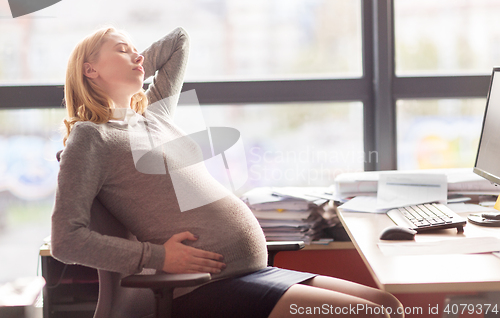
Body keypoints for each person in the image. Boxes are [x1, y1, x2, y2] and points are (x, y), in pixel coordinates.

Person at [51, 26, 404, 318]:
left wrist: (131, 59)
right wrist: (157, 257)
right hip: (204, 286)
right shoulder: (91, 136)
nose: (139, 56)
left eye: (136, 49)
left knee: (389, 306)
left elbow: (178, 41)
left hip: (251, 274)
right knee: (371, 314)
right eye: (122, 50)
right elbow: (66, 240)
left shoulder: (154, 116)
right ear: (89, 69)